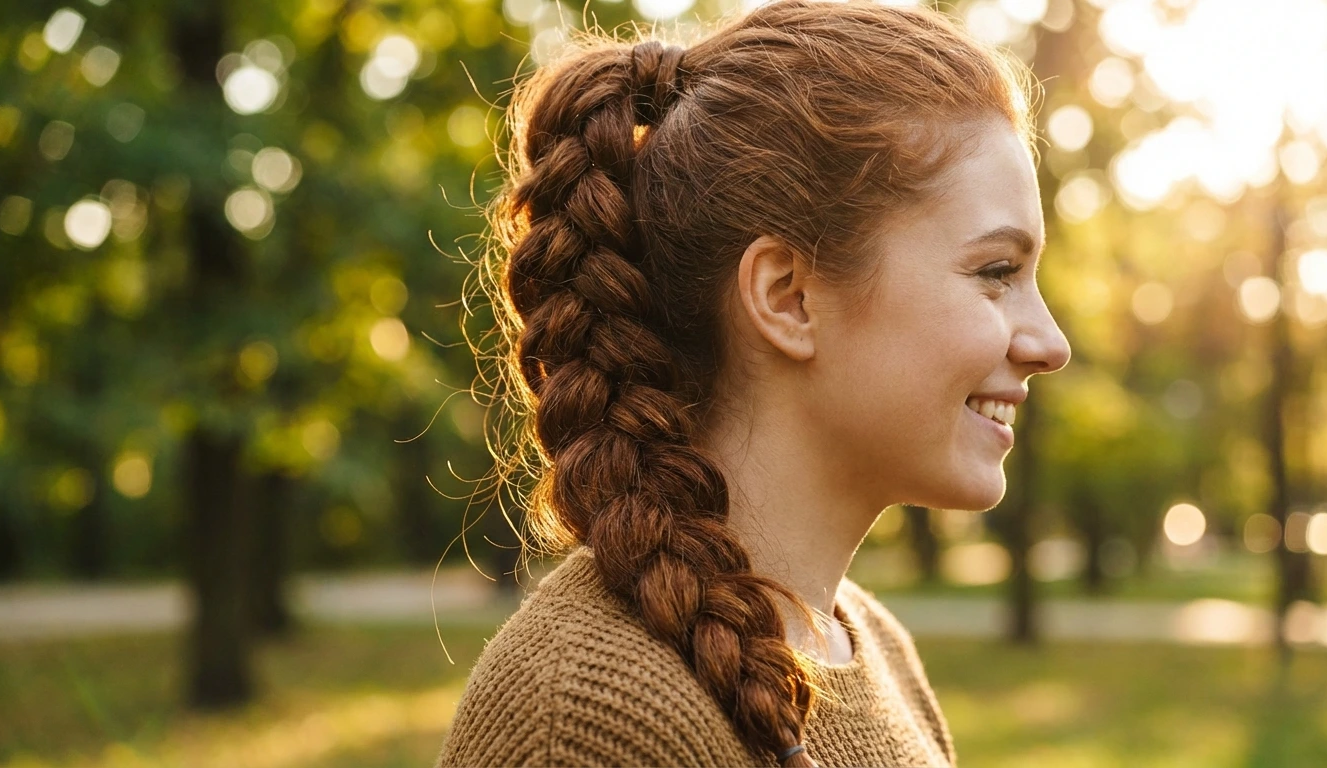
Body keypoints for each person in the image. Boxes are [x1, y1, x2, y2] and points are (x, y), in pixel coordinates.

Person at [436, 0, 1070, 765]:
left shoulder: (876, 648)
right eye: (996, 272)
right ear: (788, 298)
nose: (1051, 344)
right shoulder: (586, 721)